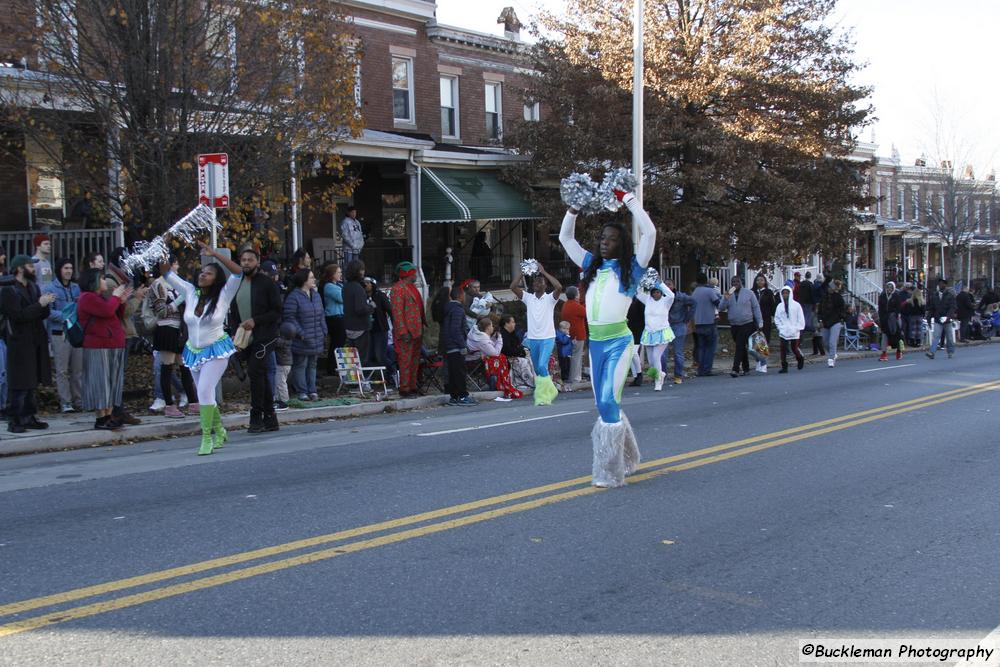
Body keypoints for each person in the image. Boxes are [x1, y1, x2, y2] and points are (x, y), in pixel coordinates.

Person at [559, 187, 655, 488]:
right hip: (596, 344)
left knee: (608, 402)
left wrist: (630, 201)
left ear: (622, 244)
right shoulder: (592, 266)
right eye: (602, 238)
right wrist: (573, 209)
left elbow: (650, 233)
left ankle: (610, 473)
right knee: (604, 405)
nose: (604, 243)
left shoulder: (633, 269)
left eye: (611, 239)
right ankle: (629, 457)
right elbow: (565, 239)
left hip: (619, 342)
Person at [161, 241, 243, 456]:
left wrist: (214, 254)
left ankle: (207, 437)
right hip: (193, 350)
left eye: (208, 273)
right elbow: (166, 272)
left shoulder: (224, 294)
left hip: (216, 350)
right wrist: (161, 248)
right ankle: (220, 430)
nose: (203, 275)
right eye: (202, 272)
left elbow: (238, 272)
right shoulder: (190, 291)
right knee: (205, 394)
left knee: (205, 391)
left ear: (216, 279)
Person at [230, 248, 283, 433]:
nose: (246, 263)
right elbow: (234, 312)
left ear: (257, 262)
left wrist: (256, 321)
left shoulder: (266, 283)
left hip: (265, 336)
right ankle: (270, 417)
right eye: (243, 260)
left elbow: (277, 311)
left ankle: (256, 415)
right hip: (245, 338)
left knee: (254, 371)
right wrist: (234, 333)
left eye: (250, 260)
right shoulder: (237, 284)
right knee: (258, 374)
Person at [1, 256, 54, 432]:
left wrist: (45, 304)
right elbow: (18, 316)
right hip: (19, 341)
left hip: (35, 339)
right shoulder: (9, 290)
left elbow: (41, 313)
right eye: (30, 266)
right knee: (19, 383)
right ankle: (15, 419)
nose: (33, 269)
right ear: (20, 268)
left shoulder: (33, 286)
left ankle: (29, 416)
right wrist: (39, 304)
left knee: (32, 381)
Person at [78, 267, 131, 430]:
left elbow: (116, 314)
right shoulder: (87, 298)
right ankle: (101, 418)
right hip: (98, 346)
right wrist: (115, 298)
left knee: (112, 382)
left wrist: (120, 301)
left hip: (113, 344)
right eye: (101, 279)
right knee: (101, 382)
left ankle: (109, 415)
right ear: (93, 281)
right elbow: (107, 311)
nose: (104, 282)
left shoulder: (99, 298)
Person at [150, 255, 198, 418]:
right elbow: (161, 312)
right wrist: (179, 301)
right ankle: (169, 406)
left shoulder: (178, 283)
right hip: (166, 329)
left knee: (185, 367)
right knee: (167, 366)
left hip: (181, 330)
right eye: (175, 264)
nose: (177, 267)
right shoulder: (158, 284)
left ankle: (193, 403)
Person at [510, 262, 563, 406]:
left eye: (540, 282)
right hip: (533, 339)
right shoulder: (528, 298)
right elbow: (513, 287)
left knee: (541, 366)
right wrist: (522, 273)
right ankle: (543, 396)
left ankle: (550, 390)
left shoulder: (550, 298)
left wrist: (543, 272)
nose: (536, 283)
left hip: (547, 338)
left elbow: (559, 287)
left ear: (545, 286)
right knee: (539, 370)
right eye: (535, 282)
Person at [105, 248, 147, 425]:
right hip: (116, 333)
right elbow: (122, 311)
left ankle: (117, 409)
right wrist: (137, 297)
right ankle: (114, 411)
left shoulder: (120, 280)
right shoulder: (109, 282)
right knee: (115, 376)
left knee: (118, 376)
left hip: (124, 333)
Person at [42, 257, 83, 412]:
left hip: (76, 333)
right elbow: (48, 311)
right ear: (59, 270)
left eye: (71, 268)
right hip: (59, 333)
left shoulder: (76, 288)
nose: (69, 271)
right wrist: (66, 315)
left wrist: (75, 314)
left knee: (78, 369)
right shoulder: (50, 288)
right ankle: (66, 402)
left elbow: (81, 306)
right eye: (66, 268)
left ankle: (78, 400)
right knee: (62, 370)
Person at [283, 268, 327, 402]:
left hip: (316, 336)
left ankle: (312, 390)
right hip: (302, 338)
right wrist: (301, 334)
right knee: (301, 364)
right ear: (304, 280)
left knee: (313, 365)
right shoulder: (294, 296)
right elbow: (290, 317)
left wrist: (324, 330)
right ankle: (302, 391)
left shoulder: (316, 295)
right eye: (311, 277)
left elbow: (321, 315)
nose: (314, 280)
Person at [390, 261, 425, 397]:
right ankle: (404, 388)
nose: (416, 275)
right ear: (407, 274)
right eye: (414, 272)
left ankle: (412, 386)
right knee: (405, 360)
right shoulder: (398, 289)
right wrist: (403, 331)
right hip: (407, 332)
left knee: (414, 360)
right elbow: (397, 313)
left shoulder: (411, 287)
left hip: (416, 330)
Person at [467, 316, 522, 399]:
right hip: (474, 359)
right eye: (492, 326)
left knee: (499, 358)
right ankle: (498, 382)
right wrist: (499, 339)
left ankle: (497, 380)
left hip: (473, 356)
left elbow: (489, 345)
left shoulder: (477, 334)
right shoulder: (481, 339)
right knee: (499, 358)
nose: (493, 328)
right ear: (488, 327)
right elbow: (495, 353)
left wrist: (493, 338)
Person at [719, 275, 762, 378]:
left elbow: (756, 307)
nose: (735, 284)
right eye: (733, 282)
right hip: (734, 324)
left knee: (739, 345)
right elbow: (721, 307)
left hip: (747, 323)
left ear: (741, 283)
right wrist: (725, 299)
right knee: (741, 346)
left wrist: (760, 321)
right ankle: (746, 368)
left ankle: (735, 369)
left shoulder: (749, 293)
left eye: (737, 282)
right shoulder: (729, 294)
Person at [636, 281, 675, 390]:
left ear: (661, 292)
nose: (656, 294)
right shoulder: (648, 300)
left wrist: (660, 282)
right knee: (651, 361)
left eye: (658, 292)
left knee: (656, 356)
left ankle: (658, 381)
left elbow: (671, 295)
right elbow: (637, 292)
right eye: (654, 292)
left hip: (662, 332)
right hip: (649, 333)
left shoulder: (666, 301)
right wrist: (642, 281)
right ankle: (660, 373)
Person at [442, 284, 476, 406]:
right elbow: (456, 329)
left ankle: (454, 396)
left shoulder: (447, 309)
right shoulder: (458, 309)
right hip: (456, 346)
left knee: (453, 372)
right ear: (460, 296)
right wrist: (462, 345)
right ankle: (462, 396)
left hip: (449, 345)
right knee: (460, 372)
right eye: (464, 295)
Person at [662, 278, 693, 385]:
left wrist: (687, 318)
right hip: (665, 326)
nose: (667, 286)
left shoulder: (681, 297)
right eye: (665, 285)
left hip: (678, 325)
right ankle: (663, 375)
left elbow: (694, 303)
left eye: (669, 284)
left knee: (678, 353)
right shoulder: (661, 297)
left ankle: (678, 375)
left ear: (674, 286)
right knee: (662, 354)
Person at [342, 260, 374, 363]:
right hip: (360, 327)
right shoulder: (358, 288)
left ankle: (355, 378)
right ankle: (362, 378)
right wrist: (371, 307)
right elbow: (360, 309)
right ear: (359, 271)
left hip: (349, 326)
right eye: (362, 269)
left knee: (353, 358)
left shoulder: (346, 287)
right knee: (362, 358)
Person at [691, 272, 721, 376]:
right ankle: (707, 369)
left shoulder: (694, 292)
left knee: (701, 347)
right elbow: (718, 303)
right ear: (706, 281)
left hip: (697, 323)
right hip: (709, 322)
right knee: (710, 347)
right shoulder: (709, 291)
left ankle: (700, 369)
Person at [774, 285, 805, 373]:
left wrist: (798, 327)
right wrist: (780, 327)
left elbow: (800, 318)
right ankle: (784, 366)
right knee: (783, 348)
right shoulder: (780, 306)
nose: (785, 295)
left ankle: (800, 358)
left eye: (787, 293)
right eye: (783, 293)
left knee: (794, 348)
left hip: (794, 330)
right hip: (784, 330)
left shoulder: (796, 305)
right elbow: (777, 318)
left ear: (790, 294)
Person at [499, 314, 534, 390]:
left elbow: (518, 345)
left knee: (532, 359)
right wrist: (521, 352)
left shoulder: (512, 334)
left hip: (516, 354)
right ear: (506, 324)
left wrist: (523, 350)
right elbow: (506, 350)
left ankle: (535, 380)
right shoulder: (502, 335)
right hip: (508, 357)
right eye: (513, 322)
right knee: (524, 362)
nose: (514, 324)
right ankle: (531, 382)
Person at [321, 264, 345, 374]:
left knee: (340, 342)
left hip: (340, 317)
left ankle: (335, 365)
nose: (340, 274)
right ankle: (331, 367)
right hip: (334, 318)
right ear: (332, 274)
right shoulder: (329, 286)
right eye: (338, 272)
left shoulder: (339, 285)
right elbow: (342, 298)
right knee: (336, 342)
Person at [926, 278, 957, 360]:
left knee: (949, 337)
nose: (940, 285)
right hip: (938, 319)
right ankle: (932, 352)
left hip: (947, 320)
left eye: (941, 284)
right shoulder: (935, 296)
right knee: (936, 336)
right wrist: (929, 318)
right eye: (939, 284)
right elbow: (931, 308)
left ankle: (950, 352)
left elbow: (952, 307)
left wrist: (948, 316)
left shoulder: (950, 296)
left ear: (945, 285)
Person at [817, 279, 846, 367]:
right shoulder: (824, 297)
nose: (829, 288)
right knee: (825, 342)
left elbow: (843, 309)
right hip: (825, 322)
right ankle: (833, 354)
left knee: (832, 341)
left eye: (830, 287)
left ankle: (831, 359)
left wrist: (841, 317)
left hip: (835, 322)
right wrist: (820, 320)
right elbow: (820, 310)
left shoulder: (838, 297)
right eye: (828, 287)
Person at [561, 286, 587, 384]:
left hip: (570, 335)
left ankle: (573, 377)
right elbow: (586, 312)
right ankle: (576, 378)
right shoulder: (576, 306)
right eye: (578, 293)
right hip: (578, 335)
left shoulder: (566, 304)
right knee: (577, 356)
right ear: (575, 295)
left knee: (574, 356)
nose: (579, 294)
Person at [364, 277, 391, 368]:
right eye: (364, 283)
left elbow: (390, 309)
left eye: (368, 283)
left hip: (380, 329)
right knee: (368, 357)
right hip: (368, 330)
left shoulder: (380, 295)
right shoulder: (362, 296)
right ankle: (371, 378)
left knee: (380, 356)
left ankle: (393, 372)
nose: (365, 285)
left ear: (373, 284)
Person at [877, 281, 904, 362]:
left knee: (897, 335)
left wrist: (895, 315)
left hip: (894, 318)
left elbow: (899, 307)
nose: (889, 289)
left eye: (891, 287)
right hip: (885, 318)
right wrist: (881, 318)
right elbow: (880, 308)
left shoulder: (896, 295)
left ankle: (899, 351)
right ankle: (884, 353)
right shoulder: (882, 296)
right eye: (888, 287)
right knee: (884, 335)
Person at [273, 321, 295, 411]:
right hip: (285, 365)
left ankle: (284, 402)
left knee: (280, 383)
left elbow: (274, 342)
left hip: (282, 365)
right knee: (279, 382)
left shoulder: (282, 341)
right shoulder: (288, 340)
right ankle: (278, 400)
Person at [752, 274, 776, 342]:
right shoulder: (752, 292)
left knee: (765, 335)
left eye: (762, 280)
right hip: (754, 318)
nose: (760, 282)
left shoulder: (768, 292)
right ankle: (755, 350)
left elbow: (772, 305)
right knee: (755, 335)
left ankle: (764, 350)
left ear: (765, 282)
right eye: (758, 280)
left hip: (766, 317)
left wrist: (773, 315)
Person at [555, 321, 574, 389]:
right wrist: (567, 336)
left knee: (568, 365)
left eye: (568, 329)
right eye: (565, 329)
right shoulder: (559, 334)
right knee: (564, 366)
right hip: (562, 353)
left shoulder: (564, 334)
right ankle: (564, 378)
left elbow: (569, 343)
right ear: (561, 328)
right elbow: (563, 341)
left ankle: (567, 377)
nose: (567, 330)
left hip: (567, 353)